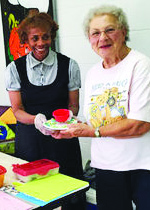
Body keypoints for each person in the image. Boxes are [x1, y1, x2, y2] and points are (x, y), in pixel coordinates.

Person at [52, 5, 150, 210]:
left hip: (141, 166)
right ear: (89, 39)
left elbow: (139, 124)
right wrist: (71, 129)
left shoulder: (140, 65)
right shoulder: (94, 73)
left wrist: (93, 132)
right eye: (95, 33)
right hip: (105, 166)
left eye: (109, 30)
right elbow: (95, 120)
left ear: (123, 32)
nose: (102, 38)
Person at [4, 12, 86, 209]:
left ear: (52, 36)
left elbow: (73, 105)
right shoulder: (15, 68)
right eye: (35, 38)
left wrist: (67, 118)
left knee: (69, 194)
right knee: (34, 197)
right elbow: (17, 110)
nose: (41, 42)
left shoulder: (69, 65)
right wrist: (37, 120)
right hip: (30, 141)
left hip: (63, 139)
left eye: (45, 36)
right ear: (26, 40)